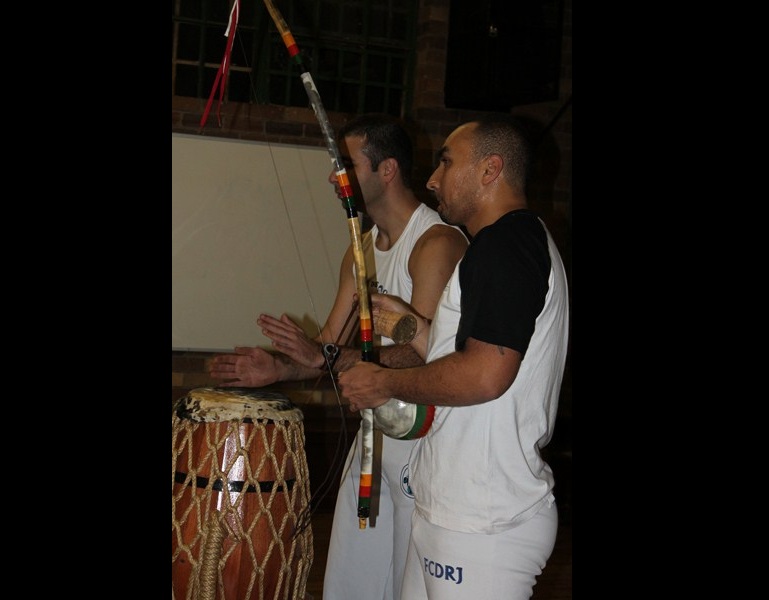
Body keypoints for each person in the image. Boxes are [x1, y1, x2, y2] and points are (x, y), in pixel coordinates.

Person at [208, 113, 468, 600]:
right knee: (349, 584)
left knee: (408, 587)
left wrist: (323, 355)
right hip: (373, 439)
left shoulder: (434, 244)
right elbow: (328, 347)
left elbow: (423, 359)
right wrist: (279, 367)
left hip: (424, 446)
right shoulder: (360, 251)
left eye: (346, 165)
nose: (334, 177)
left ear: (387, 170)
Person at [338, 115, 570, 599]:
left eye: (446, 163)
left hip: (482, 521)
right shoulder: (497, 247)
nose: (431, 179)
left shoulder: (508, 245)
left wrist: (383, 382)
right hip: (450, 510)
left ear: (490, 170)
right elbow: (465, 353)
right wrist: (411, 325)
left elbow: (484, 375)